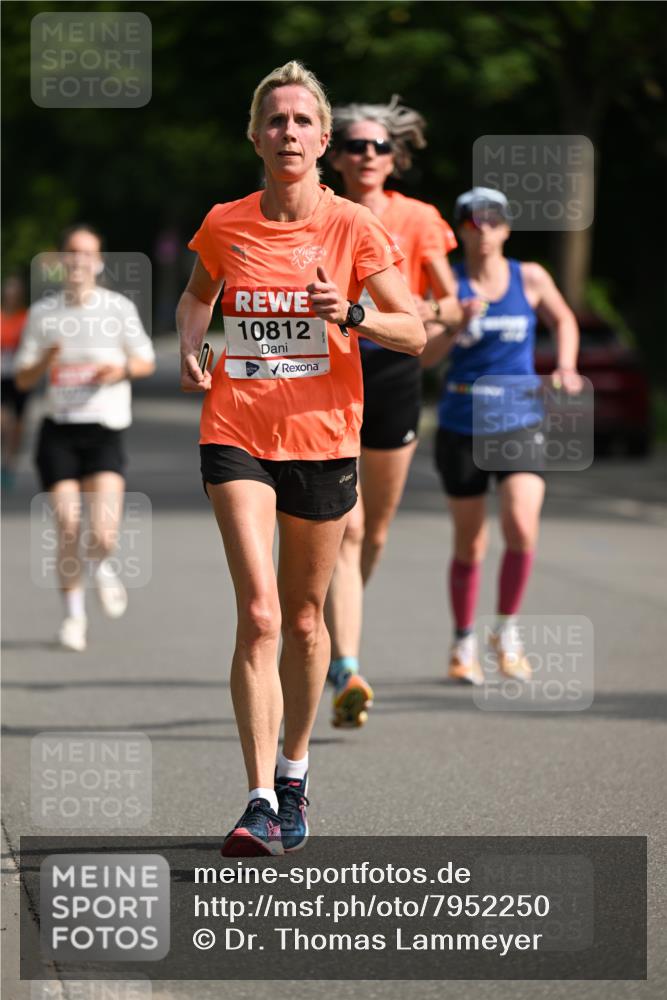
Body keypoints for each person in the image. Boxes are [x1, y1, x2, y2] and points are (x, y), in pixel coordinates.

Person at [177, 61, 424, 857]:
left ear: (322, 140)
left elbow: (412, 327)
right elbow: (195, 294)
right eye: (275, 120)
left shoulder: (354, 226)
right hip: (237, 430)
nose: (288, 132)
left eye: (301, 122)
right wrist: (191, 345)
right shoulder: (224, 222)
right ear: (255, 136)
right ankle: (255, 801)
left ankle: (293, 773)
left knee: (306, 618)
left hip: (322, 438)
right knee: (259, 614)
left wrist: (349, 312)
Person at [324, 96, 460, 727]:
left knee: (373, 530)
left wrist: (426, 315)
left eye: (380, 146)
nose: (369, 155)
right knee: (346, 529)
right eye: (356, 145)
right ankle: (346, 662)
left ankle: (338, 616)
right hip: (330, 371)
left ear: (394, 155)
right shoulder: (319, 212)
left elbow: (450, 302)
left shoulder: (420, 218)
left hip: (396, 369)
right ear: (338, 154)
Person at [422, 188, 581, 684]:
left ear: (507, 229)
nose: (484, 229)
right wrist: (454, 325)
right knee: (470, 544)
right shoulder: (445, 286)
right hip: (461, 423)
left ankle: (506, 630)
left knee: (521, 524)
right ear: (462, 229)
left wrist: (567, 366)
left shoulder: (529, 277)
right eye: (473, 221)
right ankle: (463, 640)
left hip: (519, 420)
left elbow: (564, 319)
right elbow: (424, 357)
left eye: (494, 220)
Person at [14, 225, 155, 652]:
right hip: (59, 432)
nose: (78, 261)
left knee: (105, 533)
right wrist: (45, 360)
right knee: (69, 526)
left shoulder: (116, 309)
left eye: (87, 254)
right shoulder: (44, 314)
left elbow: (145, 360)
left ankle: (102, 567)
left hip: (104, 431)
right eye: (71, 253)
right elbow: (22, 378)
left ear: (98, 262)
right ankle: (74, 618)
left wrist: (120, 370)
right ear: (60, 261)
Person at [1, 274, 30, 489]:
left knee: (17, 423)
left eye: (16, 292)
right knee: (2, 422)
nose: (12, 295)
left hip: (19, 375)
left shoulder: (26, 317)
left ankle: (9, 465)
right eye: (9, 291)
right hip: (1, 375)